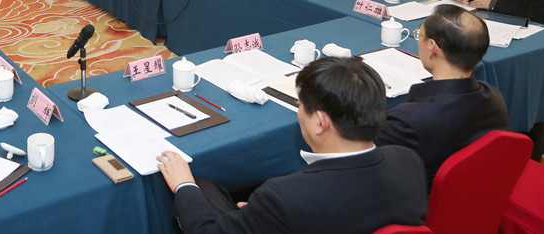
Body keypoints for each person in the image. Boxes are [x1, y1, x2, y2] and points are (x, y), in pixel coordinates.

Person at [157, 57, 428, 233]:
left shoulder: (285, 195)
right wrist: (262, 218)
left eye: (301, 106)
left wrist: (183, 185)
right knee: (208, 188)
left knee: (196, 189)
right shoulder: (407, 160)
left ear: (320, 122)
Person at [376, 4, 510, 191]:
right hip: (478, 195)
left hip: (419, 202)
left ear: (432, 47)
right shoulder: (494, 97)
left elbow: (373, 172)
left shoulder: (407, 120)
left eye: (420, 35)